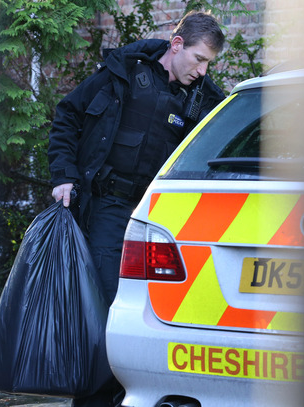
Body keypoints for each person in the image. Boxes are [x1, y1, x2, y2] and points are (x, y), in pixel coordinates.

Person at [47, 10, 226, 407]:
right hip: (109, 208)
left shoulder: (204, 99)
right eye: (199, 59)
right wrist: (63, 175)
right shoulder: (122, 73)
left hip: (161, 220)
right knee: (109, 308)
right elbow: (67, 115)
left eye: (208, 63)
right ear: (177, 44)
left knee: (157, 314)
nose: (202, 70)